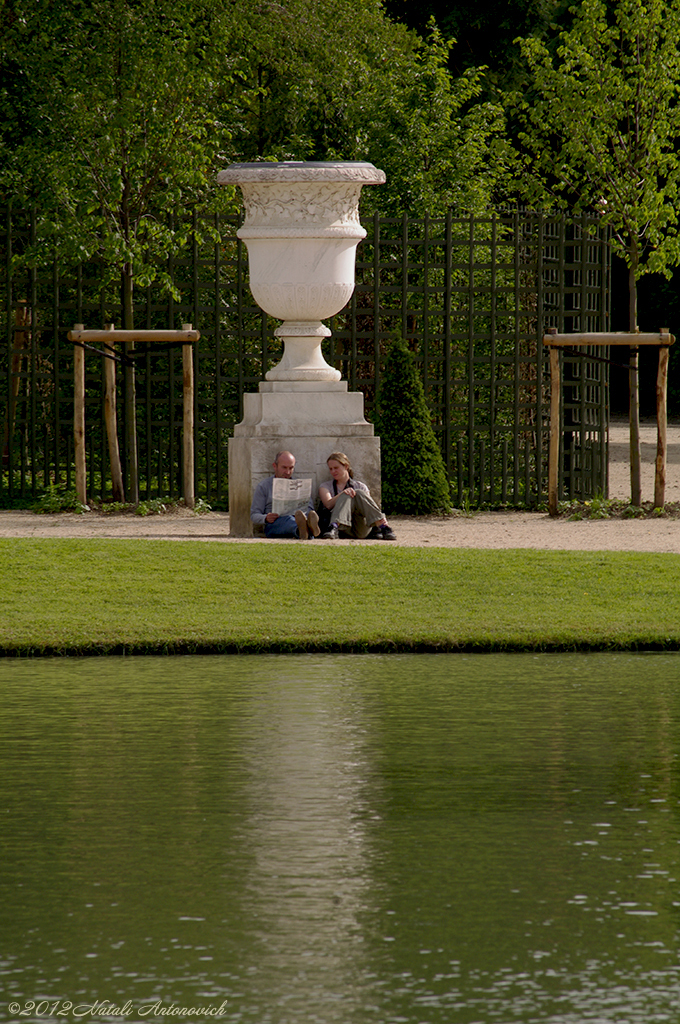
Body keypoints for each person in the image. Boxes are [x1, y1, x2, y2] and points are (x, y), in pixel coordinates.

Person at [318, 452, 396, 540]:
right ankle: (334, 526)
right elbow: (328, 505)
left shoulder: (360, 486)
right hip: (341, 529)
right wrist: (343, 493)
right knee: (346, 494)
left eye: (336, 468)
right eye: (331, 469)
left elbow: (368, 507)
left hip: (360, 527)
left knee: (358, 492)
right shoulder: (325, 486)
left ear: (346, 466)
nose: (333, 471)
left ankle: (383, 526)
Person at [250, 451, 320, 539]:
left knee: (294, 518)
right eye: (284, 468)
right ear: (275, 466)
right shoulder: (264, 486)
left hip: (297, 518)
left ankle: (303, 531)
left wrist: (305, 513)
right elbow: (254, 515)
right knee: (288, 520)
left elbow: (310, 509)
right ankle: (305, 530)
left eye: (291, 468)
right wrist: (266, 518)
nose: (287, 472)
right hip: (275, 524)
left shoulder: (299, 485)